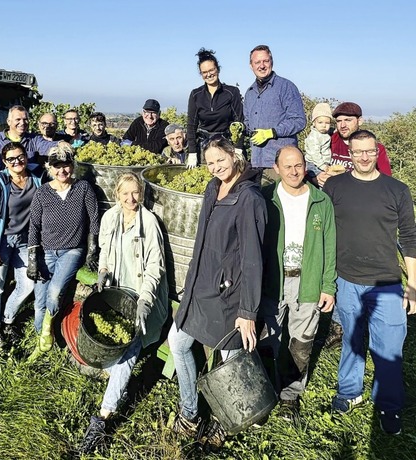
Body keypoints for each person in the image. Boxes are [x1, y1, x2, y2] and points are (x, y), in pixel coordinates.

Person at [168, 136, 267, 451]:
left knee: (231, 362)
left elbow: (253, 260)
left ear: (234, 156)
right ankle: (191, 412)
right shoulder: (213, 188)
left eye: (220, 160)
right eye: (210, 162)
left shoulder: (249, 198)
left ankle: (228, 423)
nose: (215, 167)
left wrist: (248, 313)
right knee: (178, 342)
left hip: (229, 296)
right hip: (200, 289)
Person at [322, 130, 416, 436]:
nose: (364, 157)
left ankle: (388, 404)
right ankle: (350, 393)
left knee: (388, 347)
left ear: (378, 152)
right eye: (357, 152)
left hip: (386, 281)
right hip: (346, 279)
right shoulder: (335, 186)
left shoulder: (397, 190)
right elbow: (321, 230)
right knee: (351, 339)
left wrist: (412, 285)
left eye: (369, 152)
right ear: (349, 154)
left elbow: (411, 239)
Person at [79, 173, 169, 454]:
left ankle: (102, 418)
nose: (131, 199)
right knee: (113, 350)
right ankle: (119, 386)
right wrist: (103, 271)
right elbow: (105, 250)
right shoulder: (110, 218)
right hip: (119, 295)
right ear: (116, 194)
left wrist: (145, 299)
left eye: (136, 193)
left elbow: (156, 266)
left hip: (143, 297)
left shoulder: (149, 222)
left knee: (128, 352)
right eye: (125, 194)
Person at [258, 146, 336, 421]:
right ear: (276, 169)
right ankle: (265, 391)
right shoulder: (265, 198)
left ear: (305, 166)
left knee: (301, 343)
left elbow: (330, 246)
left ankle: (290, 396)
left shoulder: (320, 202)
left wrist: (328, 286)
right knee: (268, 339)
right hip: (272, 282)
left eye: (298, 165)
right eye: (287, 166)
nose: (293, 171)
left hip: (308, 281)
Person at [315, 102, 392, 349]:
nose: (343, 125)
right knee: (335, 267)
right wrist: (318, 175)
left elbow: (386, 184)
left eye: (348, 120)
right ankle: (339, 325)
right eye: (339, 121)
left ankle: (359, 323)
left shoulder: (372, 148)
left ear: (359, 120)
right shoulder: (332, 142)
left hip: (361, 220)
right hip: (333, 215)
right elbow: (315, 163)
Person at [27, 142, 100, 353]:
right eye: (56, 166)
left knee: (55, 292)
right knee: (40, 300)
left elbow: (94, 219)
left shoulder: (83, 188)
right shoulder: (42, 193)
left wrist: (92, 249)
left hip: (72, 250)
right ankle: (41, 338)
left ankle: (47, 333)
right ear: (50, 168)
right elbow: (34, 226)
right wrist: (33, 258)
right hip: (46, 250)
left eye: (66, 165)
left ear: (73, 165)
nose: (62, 170)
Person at [0, 142, 43, 346]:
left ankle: (8, 319)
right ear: (4, 162)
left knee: (27, 284)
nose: (17, 161)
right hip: (0, 240)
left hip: (25, 240)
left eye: (20, 156)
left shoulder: (37, 177)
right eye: (11, 159)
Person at [244, 45, 306, 174]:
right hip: (256, 162)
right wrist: (241, 128)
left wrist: (272, 133)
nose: (262, 66)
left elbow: (299, 121)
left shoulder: (286, 87)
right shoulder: (250, 93)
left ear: (271, 62)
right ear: (251, 66)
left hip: (281, 164)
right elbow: (248, 123)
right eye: (257, 62)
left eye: (265, 61)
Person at [186, 48, 243, 168]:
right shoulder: (196, 95)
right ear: (201, 74)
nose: (209, 74)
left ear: (218, 69)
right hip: (204, 147)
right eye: (204, 72)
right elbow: (191, 126)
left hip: (225, 144)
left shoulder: (231, 92)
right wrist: (192, 152)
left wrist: (238, 148)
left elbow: (239, 122)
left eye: (211, 70)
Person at [0, 105, 57, 172]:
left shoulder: (34, 139)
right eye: (18, 119)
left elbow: (47, 146)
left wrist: (61, 144)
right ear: (9, 121)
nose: (22, 123)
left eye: (25, 119)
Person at [303, 103, 333, 172]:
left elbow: (331, 131)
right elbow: (315, 154)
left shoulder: (324, 133)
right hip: (314, 164)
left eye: (327, 123)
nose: (324, 125)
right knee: (323, 180)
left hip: (324, 163)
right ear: (314, 123)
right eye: (320, 122)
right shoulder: (314, 137)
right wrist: (322, 166)